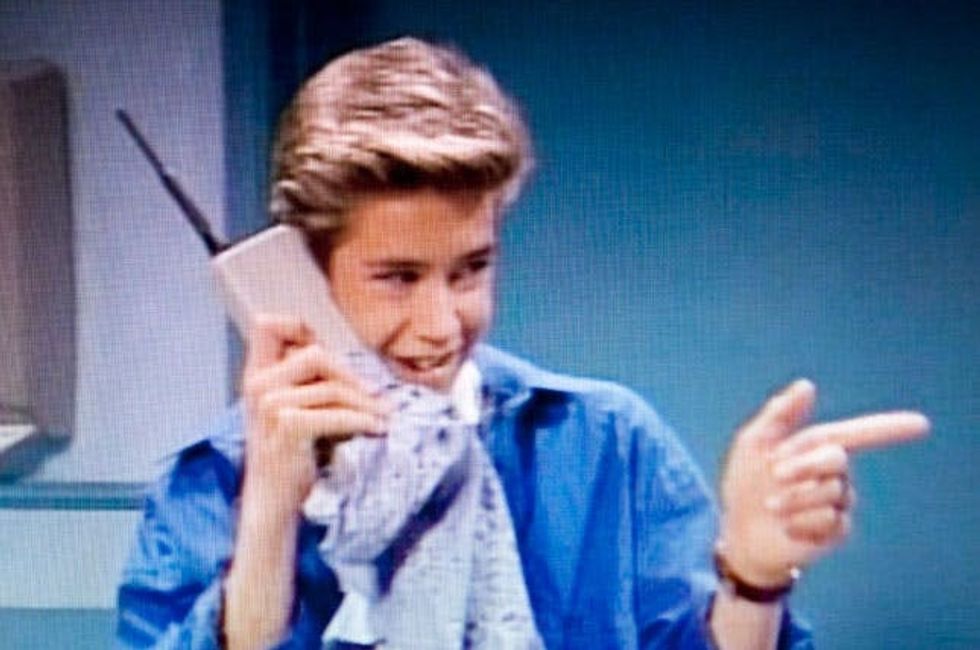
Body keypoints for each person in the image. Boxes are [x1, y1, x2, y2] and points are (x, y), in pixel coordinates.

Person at [116, 37, 929, 649]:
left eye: (470, 270)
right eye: (397, 277)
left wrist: (751, 577)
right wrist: (268, 519)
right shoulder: (212, 482)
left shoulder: (605, 445)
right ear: (305, 276)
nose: (442, 325)